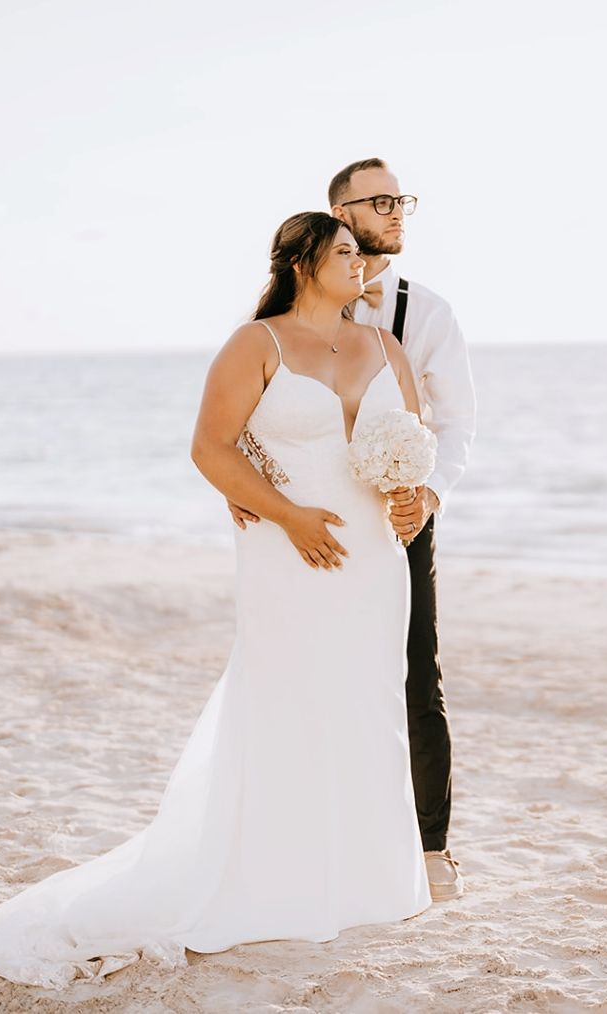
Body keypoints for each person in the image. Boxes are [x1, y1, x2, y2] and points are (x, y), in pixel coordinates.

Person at [0, 212, 432, 988]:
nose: (362, 264)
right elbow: (210, 447)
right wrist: (287, 516)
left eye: (362, 254)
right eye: (347, 251)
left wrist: (415, 500)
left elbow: (410, 442)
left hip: (376, 558)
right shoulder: (257, 344)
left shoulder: (385, 346)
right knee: (287, 700)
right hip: (287, 552)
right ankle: (274, 878)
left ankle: (369, 881)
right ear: (303, 262)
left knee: (369, 700)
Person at [230, 158, 476, 901]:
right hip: (300, 520)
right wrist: (247, 493)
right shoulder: (281, 312)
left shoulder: (425, 313)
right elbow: (244, 413)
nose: (396, 210)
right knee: (308, 671)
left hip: (399, 518)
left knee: (412, 676)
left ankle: (430, 848)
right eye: (378, 201)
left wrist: (425, 496)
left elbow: (457, 420)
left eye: (401, 198)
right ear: (339, 213)